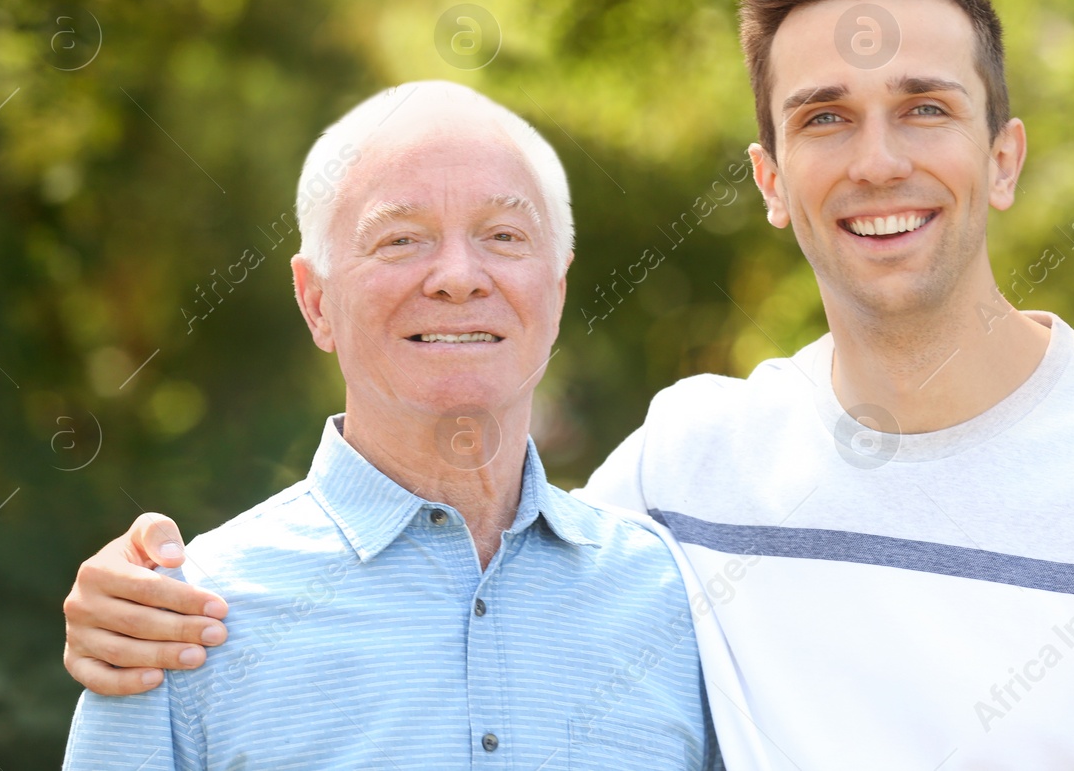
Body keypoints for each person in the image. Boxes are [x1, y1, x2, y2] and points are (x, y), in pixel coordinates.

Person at [63, 0, 1074, 770]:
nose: (878, 160)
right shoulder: (691, 470)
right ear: (767, 175)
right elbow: (486, 539)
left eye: (924, 105)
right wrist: (128, 598)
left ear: (1003, 154)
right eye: (824, 117)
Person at [61, 82, 721, 770]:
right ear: (315, 301)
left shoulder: (680, 603)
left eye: (504, 235)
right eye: (401, 239)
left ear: (555, 293)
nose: (459, 277)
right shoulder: (177, 624)